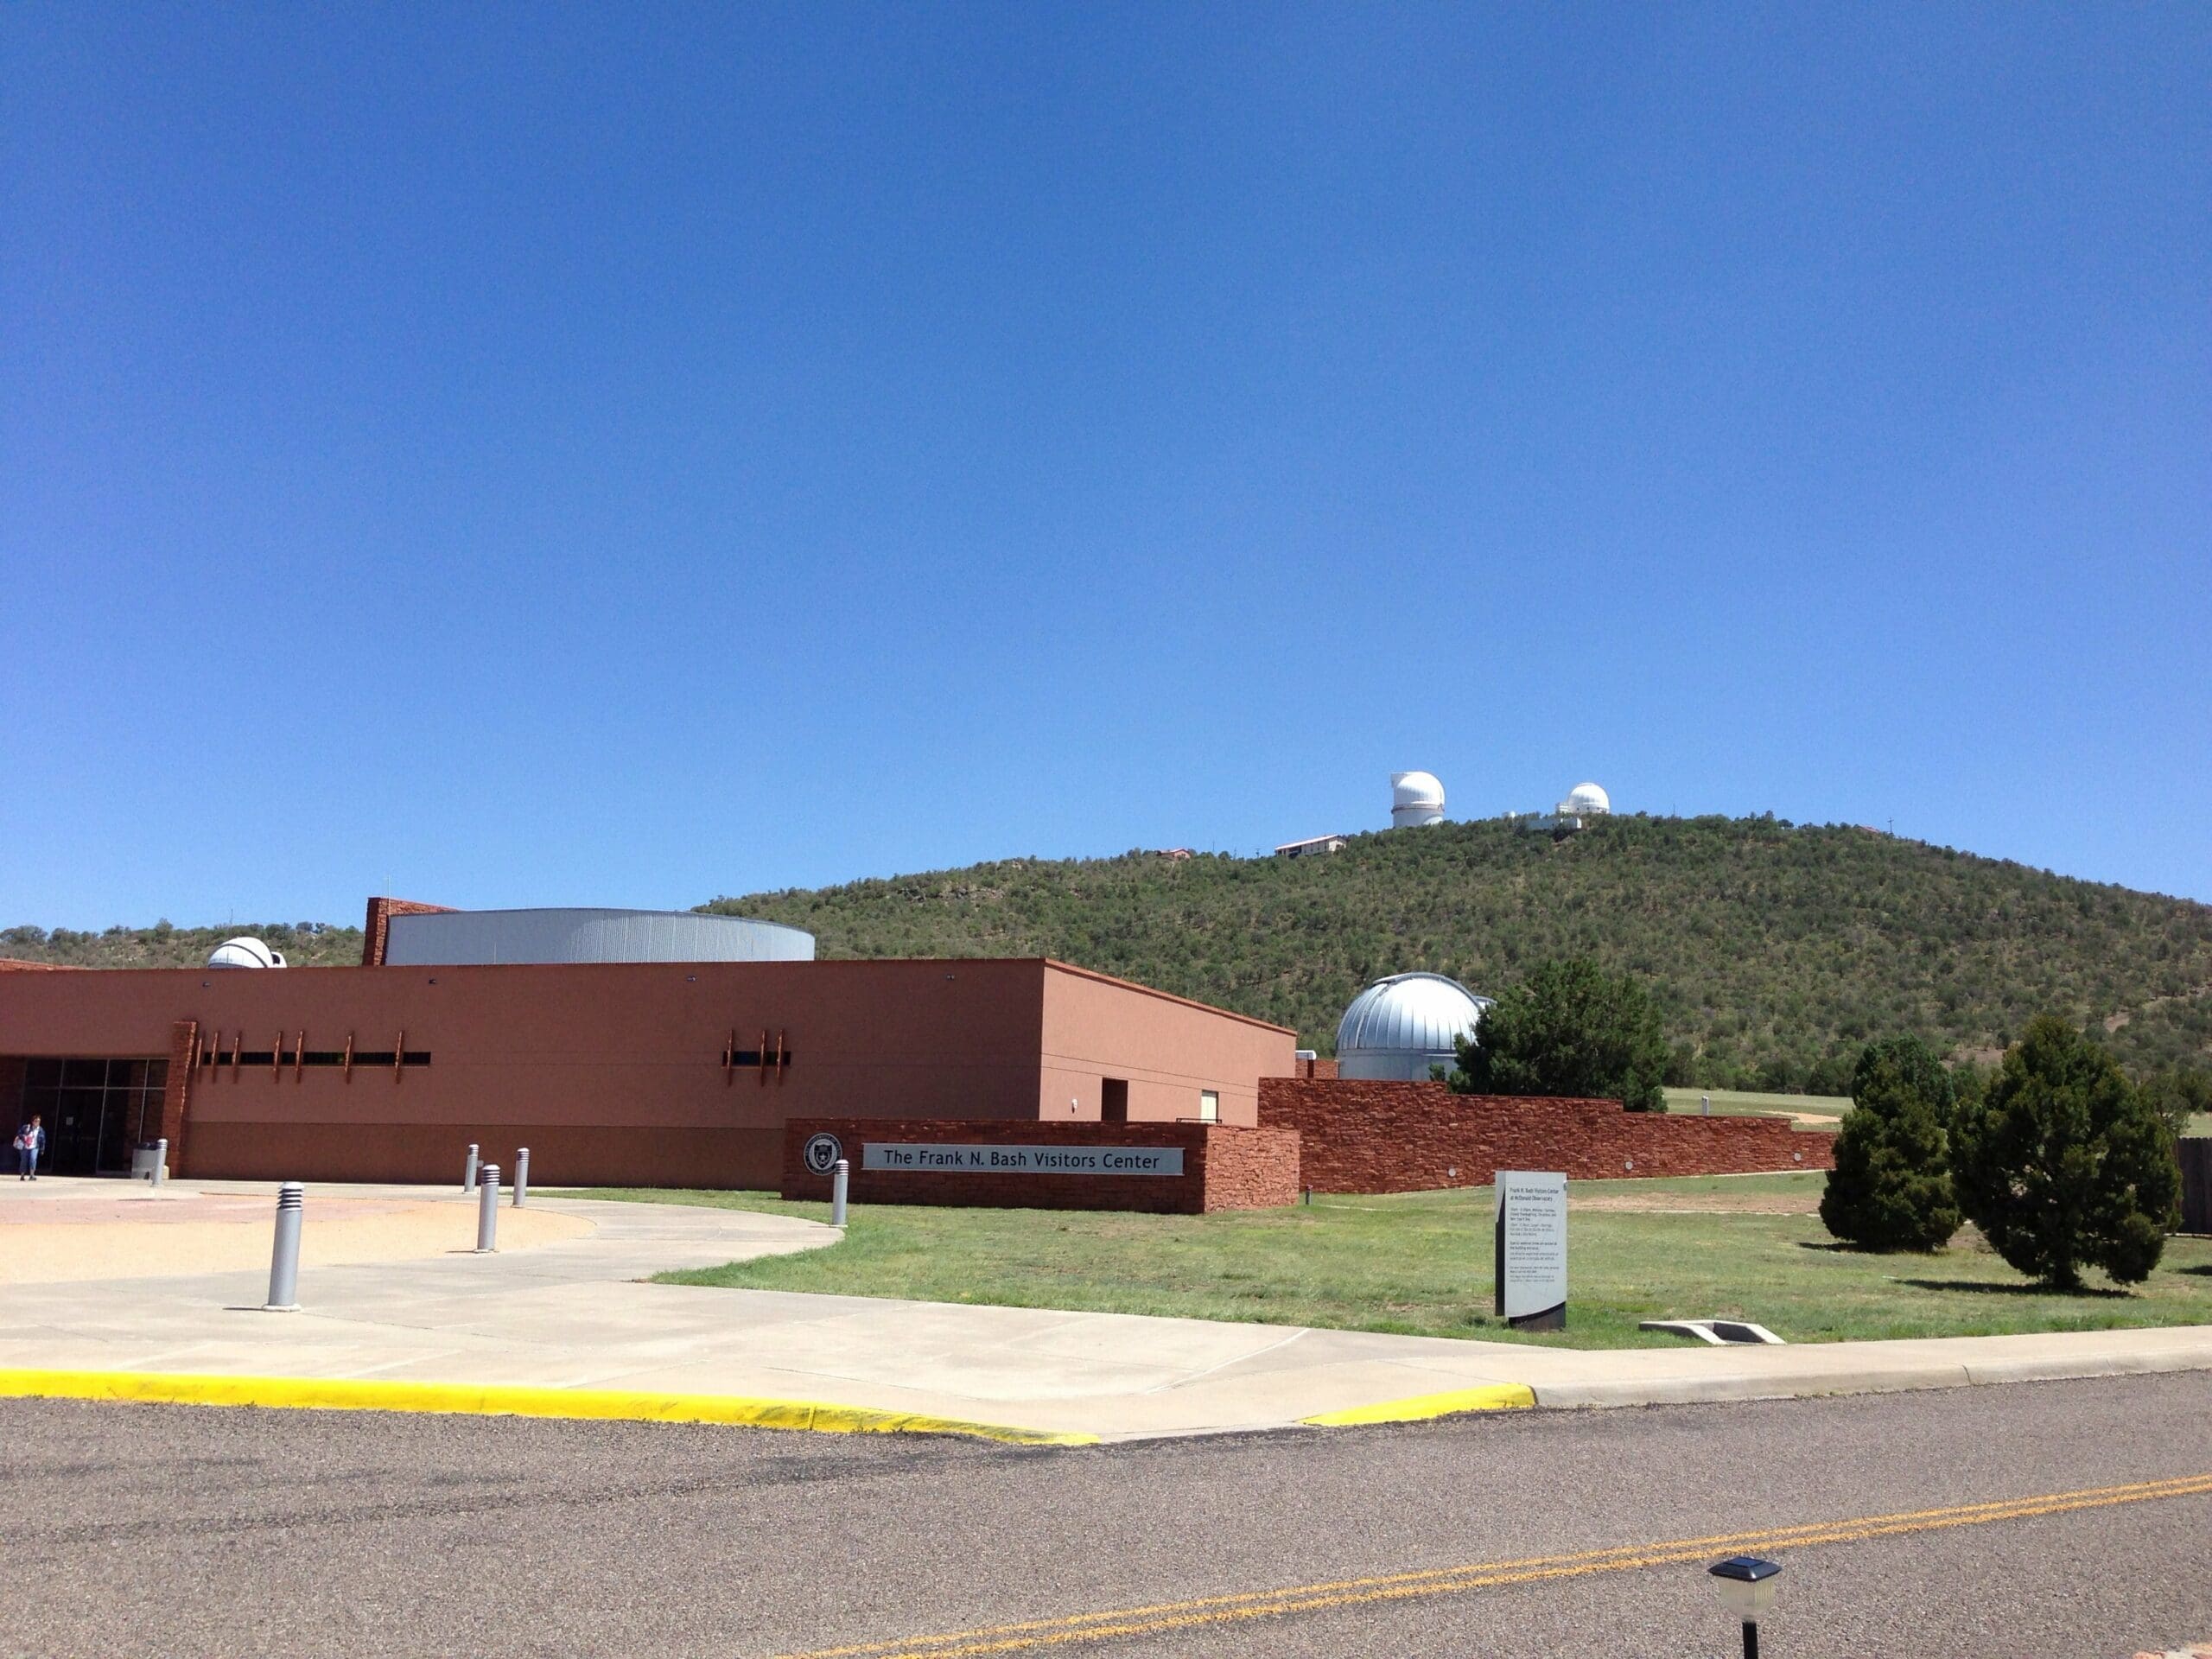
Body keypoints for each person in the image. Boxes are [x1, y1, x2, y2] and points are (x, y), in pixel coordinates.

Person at [14, 1115, 44, 1180]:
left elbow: (42, 1139)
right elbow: (19, 1134)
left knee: (33, 1159)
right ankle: (22, 1175)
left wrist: (42, 1149)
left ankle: (32, 1175)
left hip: (35, 1147)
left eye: (39, 1121)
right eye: (36, 1121)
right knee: (23, 1160)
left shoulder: (40, 1130)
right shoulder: (26, 1127)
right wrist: (24, 1136)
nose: (37, 1123)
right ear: (33, 1122)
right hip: (25, 1146)